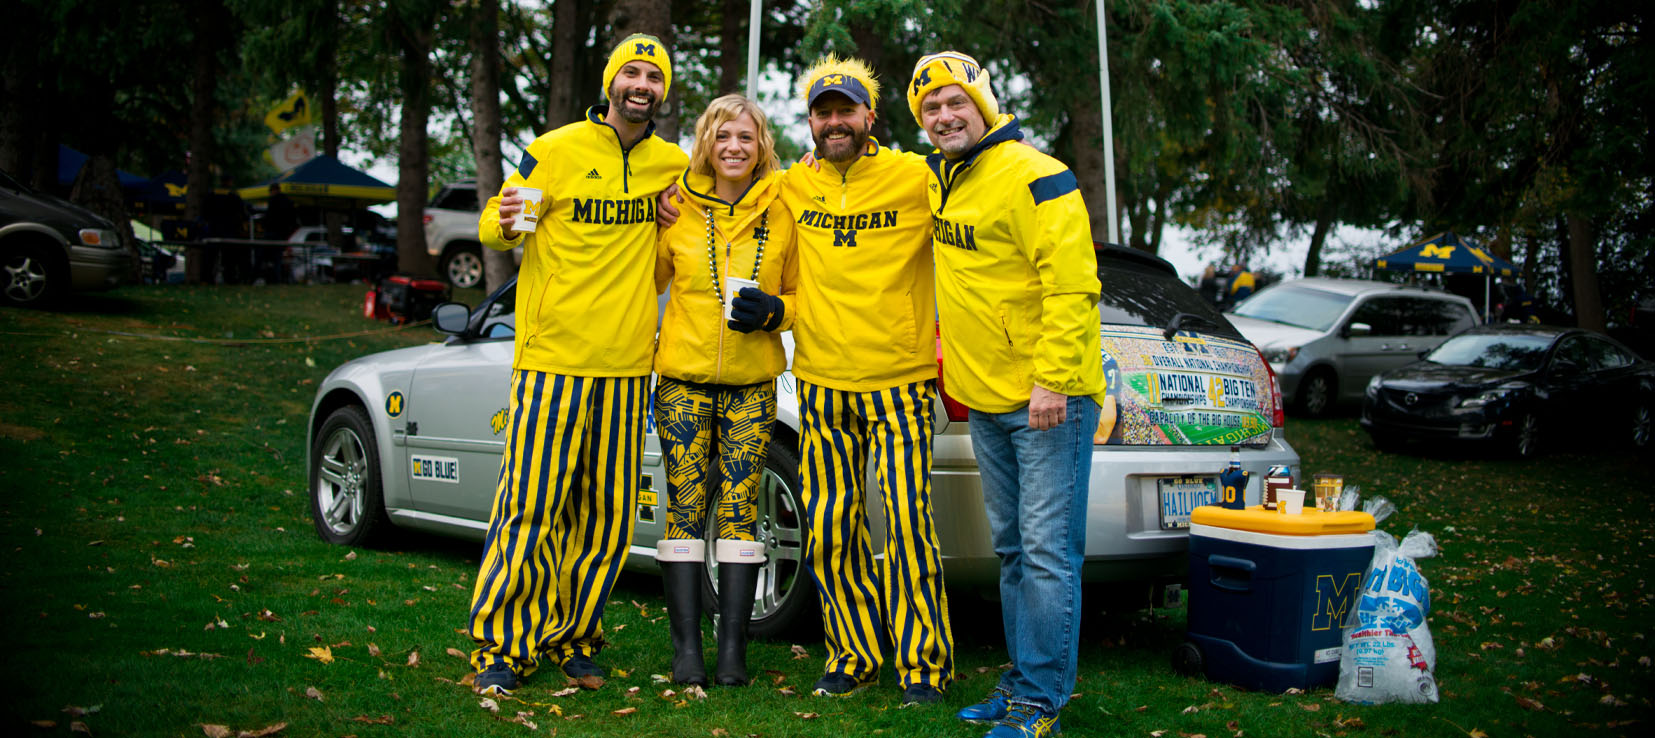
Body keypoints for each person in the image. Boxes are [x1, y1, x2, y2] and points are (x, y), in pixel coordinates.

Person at [465, 32, 688, 697]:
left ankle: (575, 637)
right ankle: (505, 646)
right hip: (550, 359)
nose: (641, 84)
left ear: (663, 91)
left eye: (653, 75)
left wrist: (669, 219)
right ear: (609, 84)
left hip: (624, 367)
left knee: (607, 516)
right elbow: (490, 224)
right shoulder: (554, 150)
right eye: (631, 73)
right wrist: (503, 219)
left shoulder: (672, 164)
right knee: (529, 508)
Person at [908, 51, 1106, 738]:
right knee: (1016, 551)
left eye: (954, 102)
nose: (943, 116)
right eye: (930, 109)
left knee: (1049, 552)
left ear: (983, 106)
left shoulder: (1037, 174)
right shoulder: (939, 181)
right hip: (985, 400)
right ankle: (1023, 680)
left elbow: (1074, 284)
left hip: (1045, 400)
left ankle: (1040, 701)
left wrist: (1051, 378)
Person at [651, 93, 798, 688]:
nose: (733, 147)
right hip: (682, 380)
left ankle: (733, 652)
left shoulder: (784, 210)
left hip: (752, 383)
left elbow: (803, 299)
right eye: (722, 136)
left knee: (741, 506)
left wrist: (774, 312)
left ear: (761, 145)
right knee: (685, 508)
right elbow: (644, 279)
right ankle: (686, 650)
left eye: (745, 136)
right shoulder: (676, 208)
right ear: (706, 144)